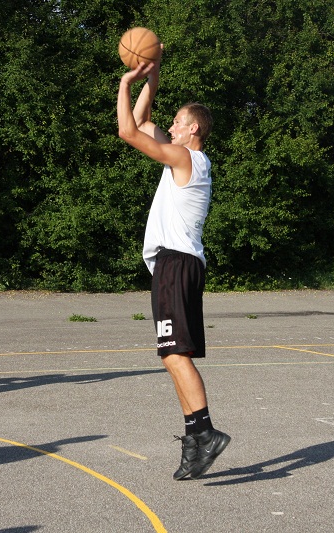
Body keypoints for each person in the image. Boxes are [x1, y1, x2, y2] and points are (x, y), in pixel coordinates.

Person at [118, 57, 230, 480]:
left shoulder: (185, 159)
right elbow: (142, 121)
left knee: (174, 355)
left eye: (178, 121)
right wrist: (153, 74)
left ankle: (206, 432)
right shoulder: (184, 160)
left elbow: (127, 130)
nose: (171, 125)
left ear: (193, 128)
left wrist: (125, 82)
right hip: (179, 263)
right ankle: (196, 438)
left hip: (176, 263)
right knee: (173, 355)